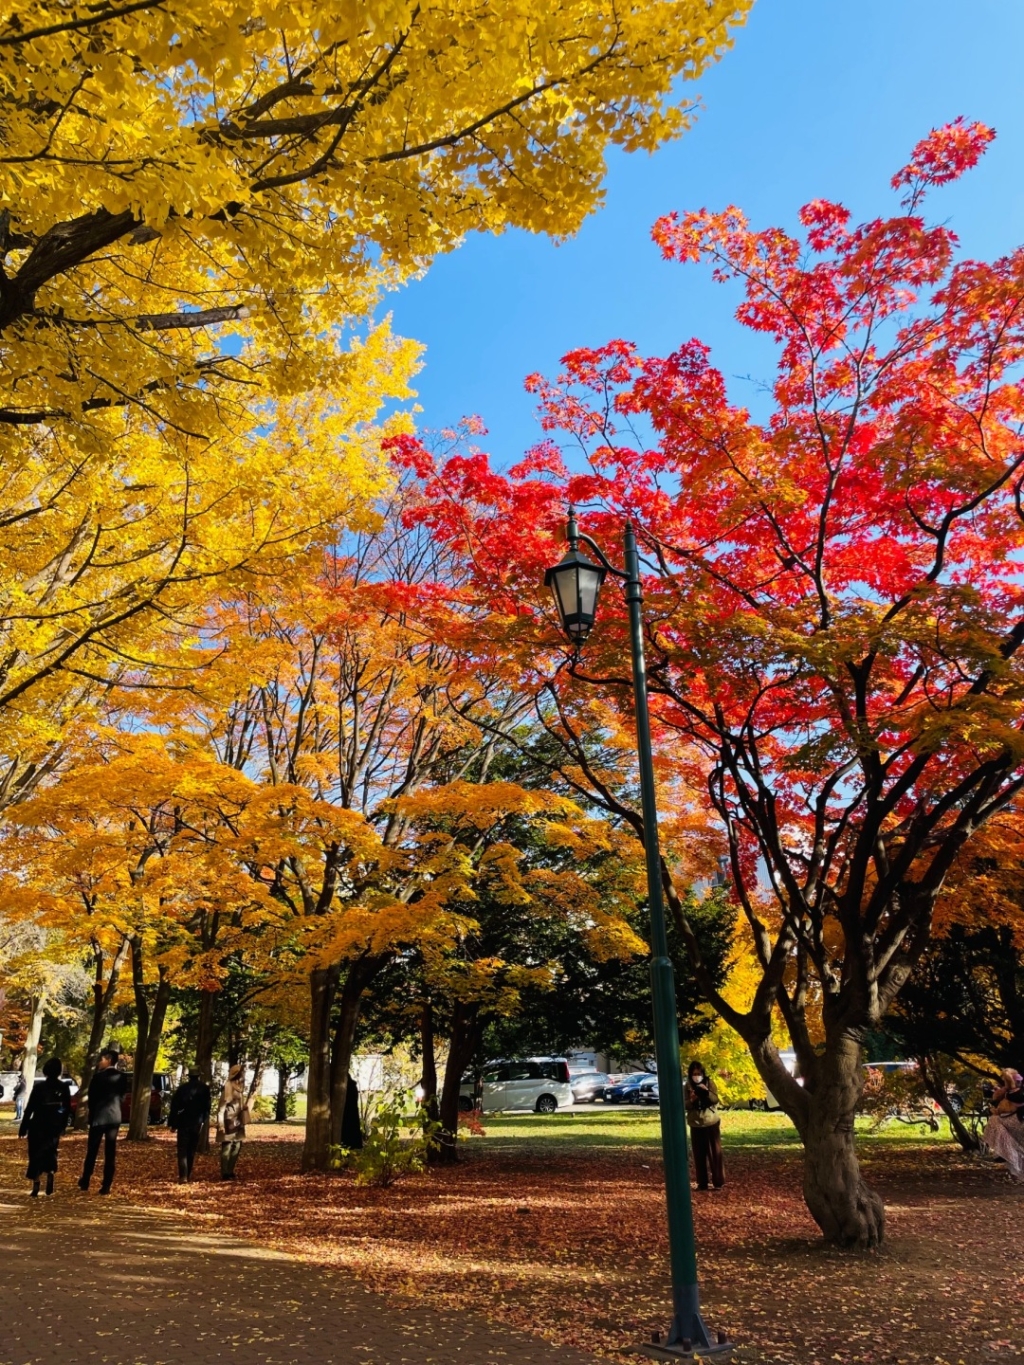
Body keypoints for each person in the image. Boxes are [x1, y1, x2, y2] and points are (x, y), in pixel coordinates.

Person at [78, 1048, 129, 1194]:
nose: (99, 1062)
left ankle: (86, 1180)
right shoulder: (122, 1077)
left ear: (108, 1059)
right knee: (110, 1151)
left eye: (101, 1059)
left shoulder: (98, 1077)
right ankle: (106, 1184)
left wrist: (92, 1114)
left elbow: (92, 1099)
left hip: (99, 1117)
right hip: (114, 1117)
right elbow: (122, 1096)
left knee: (92, 1150)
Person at [19, 1058, 71, 1197]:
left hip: (38, 1124)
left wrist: (23, 1126)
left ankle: (36, 1182)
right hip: (54, 1126)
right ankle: (51, 1172)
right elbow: (66, 1108)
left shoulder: (39, 1087)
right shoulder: (64, 1087)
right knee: (51, 1150)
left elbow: (30, 1108)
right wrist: (63, 1125)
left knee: (35, 1153)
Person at [685, 1059, 725, 1191]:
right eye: (694, 1073)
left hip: (710, 1121)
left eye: (699, 1073)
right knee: (699, 1154)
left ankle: (718, 1181)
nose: (696, 1076)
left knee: (715, 1153)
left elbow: (715, 1099)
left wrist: (706, 1091)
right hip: (695, 1123)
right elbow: (685, 1104)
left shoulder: (709, 1082)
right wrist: (692, 1100)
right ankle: (702, 1182)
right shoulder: (687, 1086)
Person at [168, 1070, 211, 1183]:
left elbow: (175, 1106)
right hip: (197, 1122)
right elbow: (207, 1107)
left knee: (182, 1149)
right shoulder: (204, 1089)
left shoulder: (183, 1089)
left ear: (189, 1076)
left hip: (184, 1121)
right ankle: (188, 1173)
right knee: (191, 1149)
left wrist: (172, 1124)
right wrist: (203, 1120)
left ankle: (183, 1175)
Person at [981, 1068, 1024, 1180]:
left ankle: (1006, 1154)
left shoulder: (1015, 1093)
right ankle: (1004, 1154)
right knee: (996, 1124)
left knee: (994, 1122)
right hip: (1013, 1119)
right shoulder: (1011, 1092)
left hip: (1016, 1120)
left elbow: (1013, 1097)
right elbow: (996, 1097)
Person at [216, 1064, 250, 1180]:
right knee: (227, 1146)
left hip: (238, 1120)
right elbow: (221, 1108)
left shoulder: (239, 1087)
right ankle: (224, 1172)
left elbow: (239, 1104)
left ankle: (230, 1171)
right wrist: (220, 1124)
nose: (244, 1075)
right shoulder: (228, 1087)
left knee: (238, 1145)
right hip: (228, 1120)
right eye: (242, 1072)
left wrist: (243, 1107)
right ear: (237, 1074)